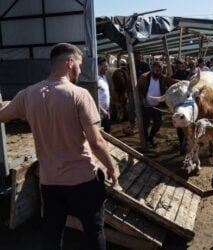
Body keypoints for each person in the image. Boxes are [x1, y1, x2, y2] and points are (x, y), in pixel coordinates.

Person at [0, 43, 119, 250]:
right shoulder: (79, 95)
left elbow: (2, 115)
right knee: (94, 232)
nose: (80, 70)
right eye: (79, 65)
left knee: (52, 234)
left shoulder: (28, 94)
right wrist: (111, 168)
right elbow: (96, 141)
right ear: (69, 63)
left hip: (50, 182)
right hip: (83, 180)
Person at [138, 61, 175, 147]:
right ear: (152, 69)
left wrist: (184, 82)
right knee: (145, 125)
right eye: (156, 70)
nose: (158, 72)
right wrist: (142, 99)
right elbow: (139, 89)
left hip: (157, 106)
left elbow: (171, 81)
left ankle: (151, 137)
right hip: (146, 105)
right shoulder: (144, 77)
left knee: (158, 124)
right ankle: (146, 140)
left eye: (160, 70)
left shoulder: (163, 77)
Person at [97, 57, 111, 133]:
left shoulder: (104, 77)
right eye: (105, 66)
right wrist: (103, 111)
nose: (107, 68)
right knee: (100, 133)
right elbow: (93, 98)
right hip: (99, 113)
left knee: (107, 131)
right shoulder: (95, 79)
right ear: (99, 66)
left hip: (106, 110)